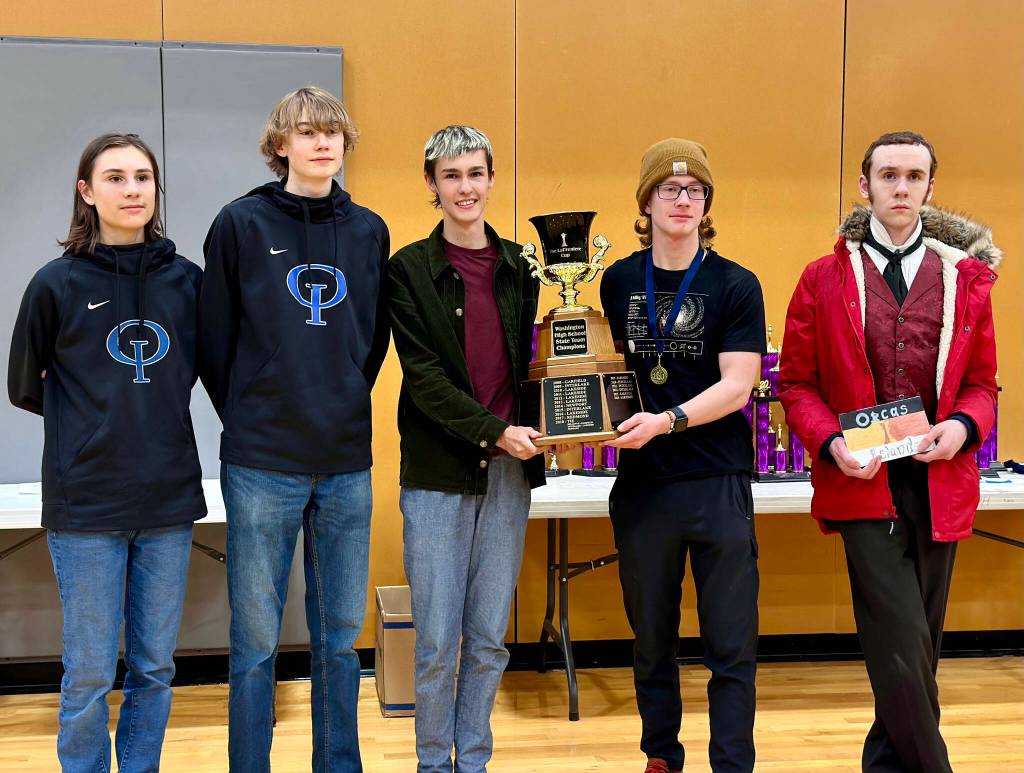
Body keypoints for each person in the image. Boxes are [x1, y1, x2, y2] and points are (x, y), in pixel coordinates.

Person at [779, 130, 1000, 772]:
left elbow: (983, 384)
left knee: (915, 645)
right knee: (901, 637)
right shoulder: (821, 279)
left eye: (913, 176)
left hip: (939, 479)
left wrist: (961, 427)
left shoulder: (966, 279)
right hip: (862, 479)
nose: (901, 188)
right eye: (888, 176)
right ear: (864, 186)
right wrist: (830, 442)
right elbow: (796, 383)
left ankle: (884, 764)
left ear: (930, 188)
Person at [198, 86, 390, 773]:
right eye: (308, 132)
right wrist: (253, 411)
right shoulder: (240, 224)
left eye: (333, 132)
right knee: (255, 642)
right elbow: (213, 340)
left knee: (339, 640)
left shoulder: (368, 230)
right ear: (281, 144)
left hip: (345, 462)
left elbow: (371, 339)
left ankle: (337, 765)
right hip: (261, 462)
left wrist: (341, 393)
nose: (323, 142)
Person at [8, 132, 206, 773]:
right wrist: (94, 426)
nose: (132, 190)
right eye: (115, 178)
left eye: (143, 177)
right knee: (90, 670)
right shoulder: (55, 284)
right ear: (87, 192)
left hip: (167, 501)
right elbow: (24, 385)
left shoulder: (187, 282)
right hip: (87, 506)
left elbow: (210, 369)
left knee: (154, 667)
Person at [599, 138, 765, 773]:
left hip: (717, 481)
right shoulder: (617, 281)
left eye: (694, 190)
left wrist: (667, 420)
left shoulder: (735, 283)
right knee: (651, 640)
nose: (682, 200)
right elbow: (605, 372)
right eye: (669, 189)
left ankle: (732, 765)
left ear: (706, 203)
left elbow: (738, 385)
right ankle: (661, 756)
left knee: (731, 644)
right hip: (644, 486)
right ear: (646, 201)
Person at [386, 125, 545, 773]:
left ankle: (472, 761)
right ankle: (433, 763)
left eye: (475, 173)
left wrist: (563, 421)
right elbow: (424, 379)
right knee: (436, 644)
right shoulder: (407, 270)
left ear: (492, 178)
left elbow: (534, 364)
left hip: (509, 476)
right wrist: (494, 430)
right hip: (437, 475)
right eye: (451, 175)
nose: (465, 187)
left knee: (487, 640)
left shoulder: (523, 268)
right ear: (431, 183)